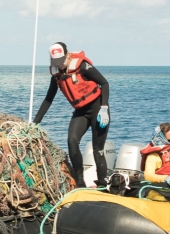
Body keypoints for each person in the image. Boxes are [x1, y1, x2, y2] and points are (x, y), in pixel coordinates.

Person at [33, 42, 111, 186]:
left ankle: (102, 185)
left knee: (97, 150)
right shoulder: (57, 76)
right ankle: (80, 183)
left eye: (61, 61)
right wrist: (34, 123)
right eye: (56, 62)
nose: (60, 65)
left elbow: (104, 83)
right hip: (81, 112)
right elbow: (48, 100)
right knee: (72, 141)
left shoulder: (82, 66)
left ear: (67, 55)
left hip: (98, 110)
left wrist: (104, 107)